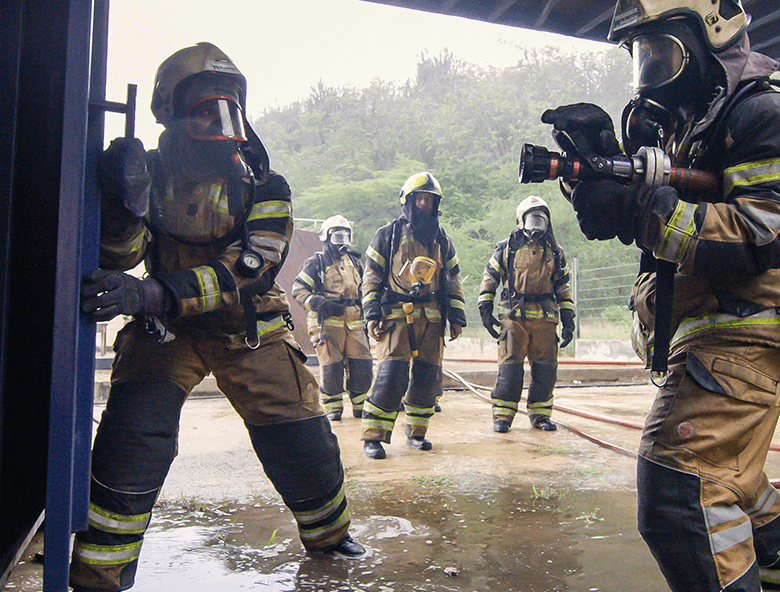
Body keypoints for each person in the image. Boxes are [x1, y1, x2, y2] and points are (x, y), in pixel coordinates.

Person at [73, 42, 363, 592]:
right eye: (205, 104)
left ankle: (329, 536)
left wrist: (152, 295)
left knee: (300, 438)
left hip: (246, 328)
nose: (218, 115)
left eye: (228, 102)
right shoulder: (148, 175)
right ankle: (99, 572)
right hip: (167, 333)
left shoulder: (264, 186)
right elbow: (120, 257)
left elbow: (249, 271)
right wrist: (123, 206)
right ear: (171, 109)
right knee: (132, 439)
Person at [541, 1, 780, 590]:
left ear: (709, 38)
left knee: (681, 492)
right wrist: (600, 178)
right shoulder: (692, 123)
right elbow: (664, 209)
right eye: (641, 60)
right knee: (738, 487)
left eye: (662, 56)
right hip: (713, 336)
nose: (650, 76)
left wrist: (641, 210)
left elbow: (759, 232)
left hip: (744, 333)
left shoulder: (760, 112)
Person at [359, 172, 467, 459]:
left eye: (429, 200)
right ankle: (374, 437)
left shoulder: (443, 239)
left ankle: (417, 433)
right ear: (408, 201)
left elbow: (453, 280)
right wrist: (371, 313)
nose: (424, 204)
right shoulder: (388, 235)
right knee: (390, 375)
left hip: (431, 320)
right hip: (395, 317)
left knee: (427, 378)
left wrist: (456, 316)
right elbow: (370, 278)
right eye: (419, 198)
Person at [478, 196, 575, 432]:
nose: (537, 225)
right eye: (532, 219)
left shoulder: (555, 251)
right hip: (514, 318)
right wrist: (485, 306)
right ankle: (502, 417)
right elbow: (490, 277)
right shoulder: (507, 248)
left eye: (541, 220)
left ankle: (540, 416)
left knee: (545, 370)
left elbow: (563, 287)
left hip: (545, 319)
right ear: (521, 221)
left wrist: (568, 318)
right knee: (510, 369)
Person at [292, 215, 373, 421]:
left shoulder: (355, 262)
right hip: (327, 325)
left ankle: (360, 405)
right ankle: (333, 407)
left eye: (345, 236)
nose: (341, 241)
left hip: (355, 324)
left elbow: (366, 290)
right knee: (332, 368)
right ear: (327, 238)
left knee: (361, 366)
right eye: (337, 236)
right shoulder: (317, 262)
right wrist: (319, 303)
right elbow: (298, 289)